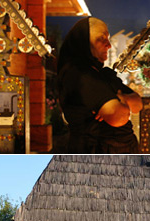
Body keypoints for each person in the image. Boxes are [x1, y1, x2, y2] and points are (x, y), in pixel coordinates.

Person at [57, 17, 143, 153]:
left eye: (107, 38)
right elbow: (118, 117)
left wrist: (122, 101)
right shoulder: (79, 75)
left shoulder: (104, 74)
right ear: (83, 42)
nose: (108, 45)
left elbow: (138, 104)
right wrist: (122, 101)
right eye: (101, 39)